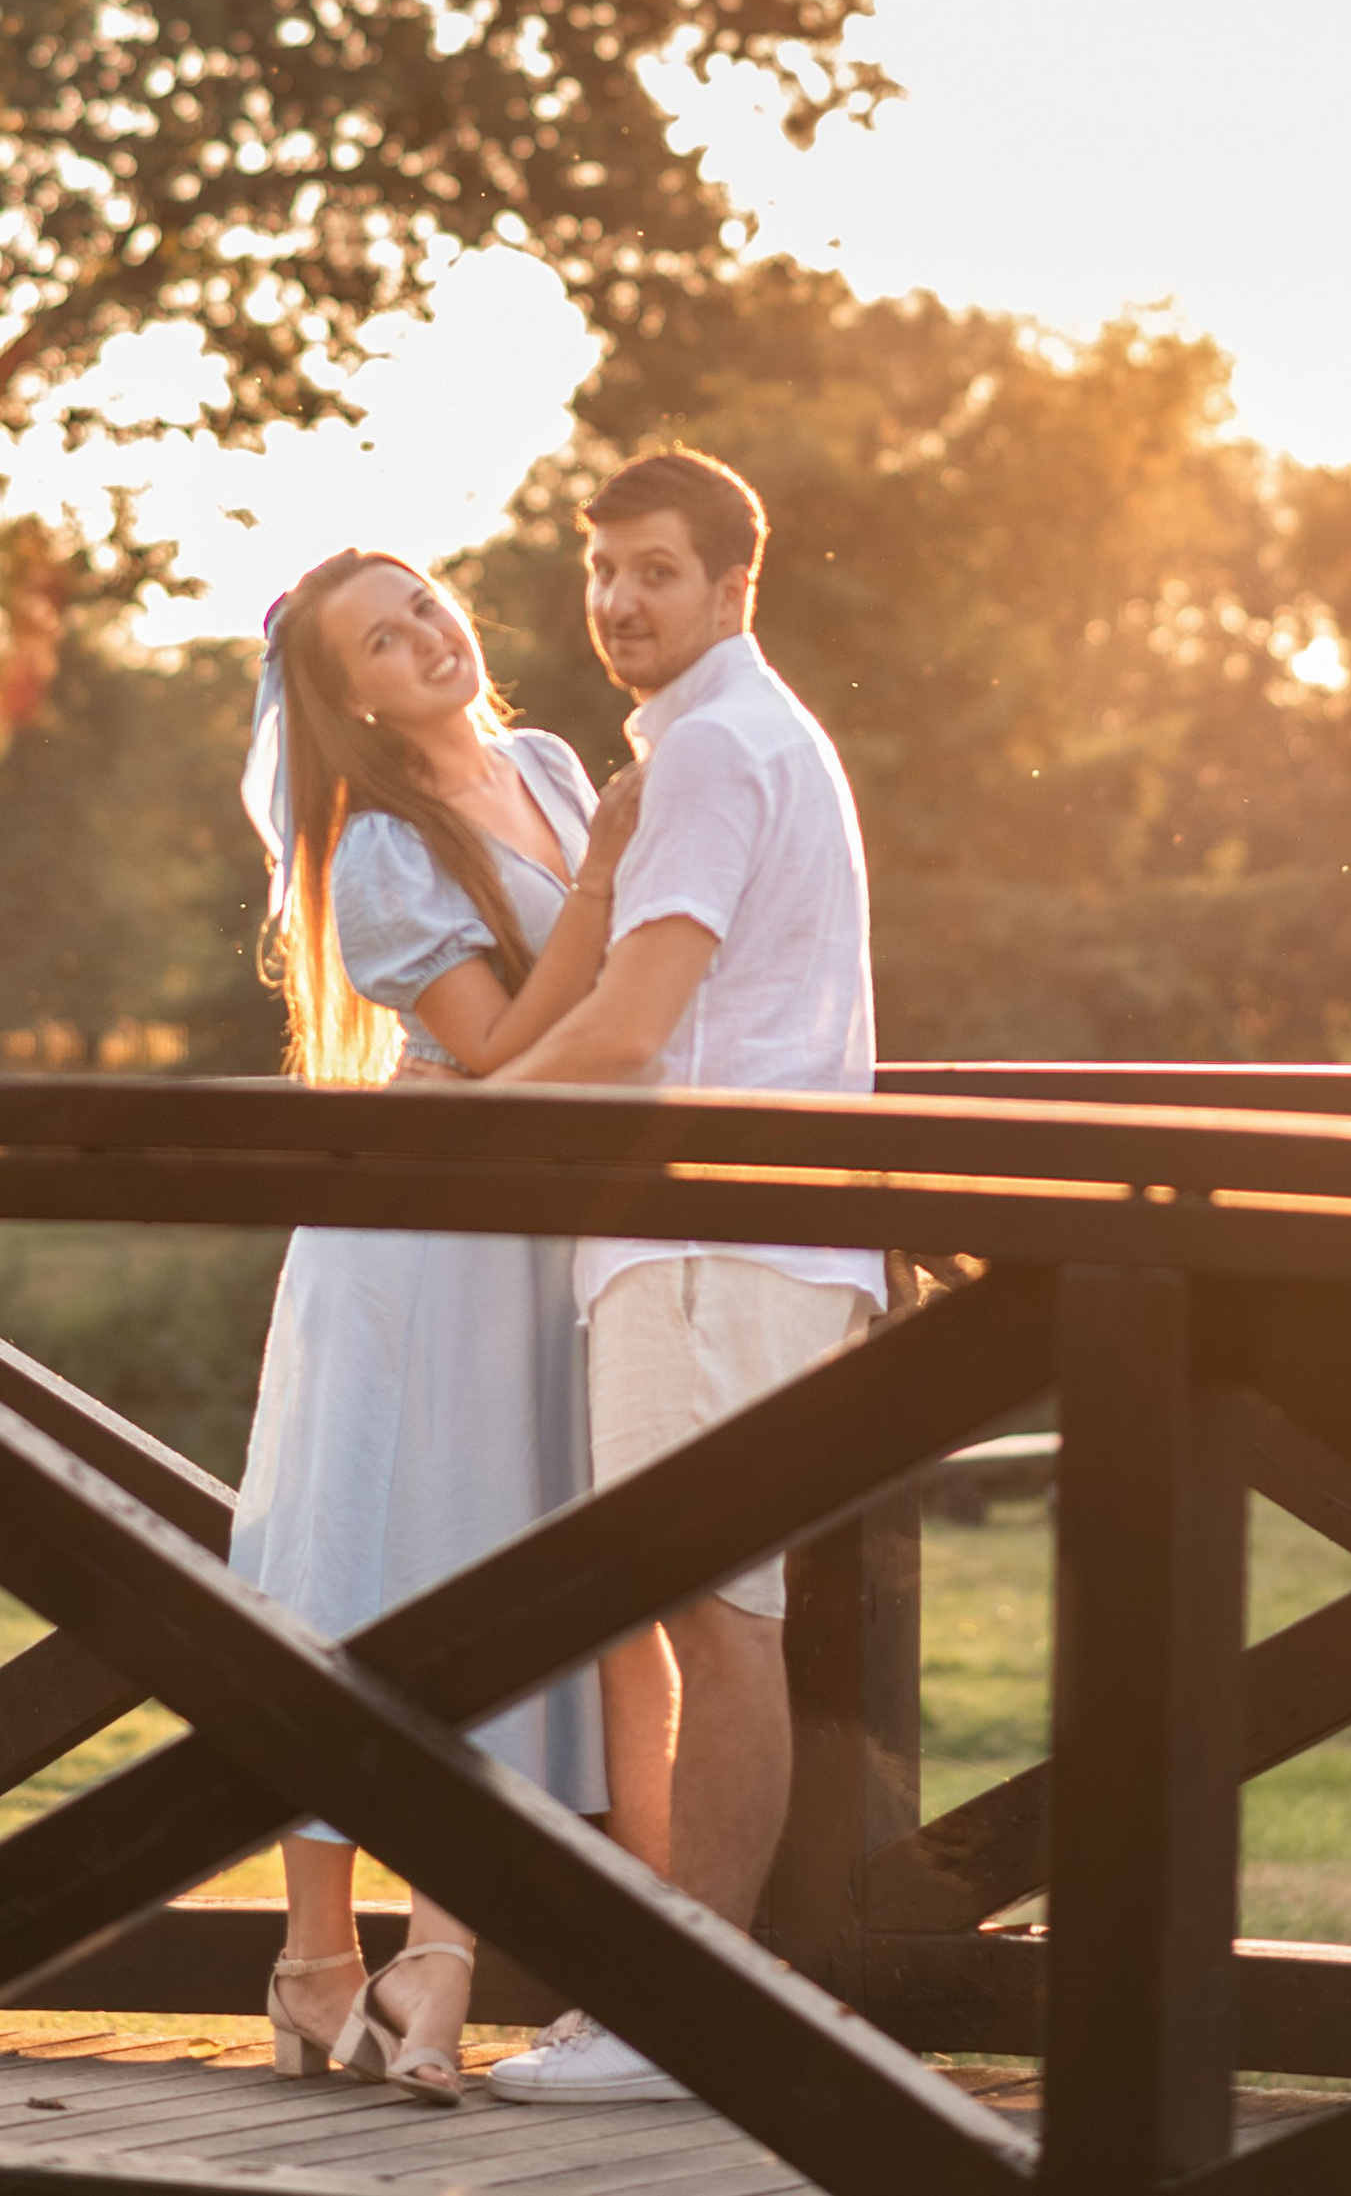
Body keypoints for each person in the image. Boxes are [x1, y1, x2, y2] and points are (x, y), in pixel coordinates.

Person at [482, 447, 884, 2109]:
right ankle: (685, 2001)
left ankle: (684, 2020)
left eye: (656, 570)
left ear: (736, 585)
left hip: (717, 1242)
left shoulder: (718, 747)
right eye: (603, 571)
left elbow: (637, 1032)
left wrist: (446, 1141)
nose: (621, 601)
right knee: (713, 1620)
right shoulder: (726, 744)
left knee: (718, 1630)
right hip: (743, 1242)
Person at [228, 546, 642, 2108]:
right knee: (354, 1559)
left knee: (496, 1563)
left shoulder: (545, 761)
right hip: (411, 1241)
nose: (427, 642)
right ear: (349, 698)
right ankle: (323, 1953)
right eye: (382, 644)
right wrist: (605, 881)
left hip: (532, 1240)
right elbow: (485, 1046)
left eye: (426, 609)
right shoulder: (383, 842)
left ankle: (438, 1955)